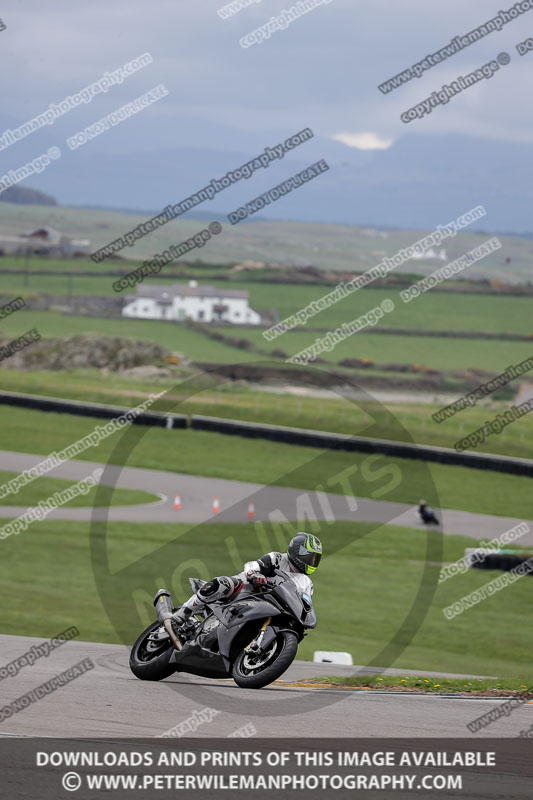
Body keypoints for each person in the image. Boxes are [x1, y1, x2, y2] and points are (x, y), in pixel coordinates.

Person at [173, 532, 322, 631]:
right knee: (222, 583)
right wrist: (254, 574)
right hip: (248, 588)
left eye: (315, 559)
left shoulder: (306, 582)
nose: (312, 561)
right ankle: (184, 612)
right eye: (310, 557)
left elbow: (305, 603)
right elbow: (252, 565)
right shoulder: (277, 558)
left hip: (271, 606)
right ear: (296, 550)